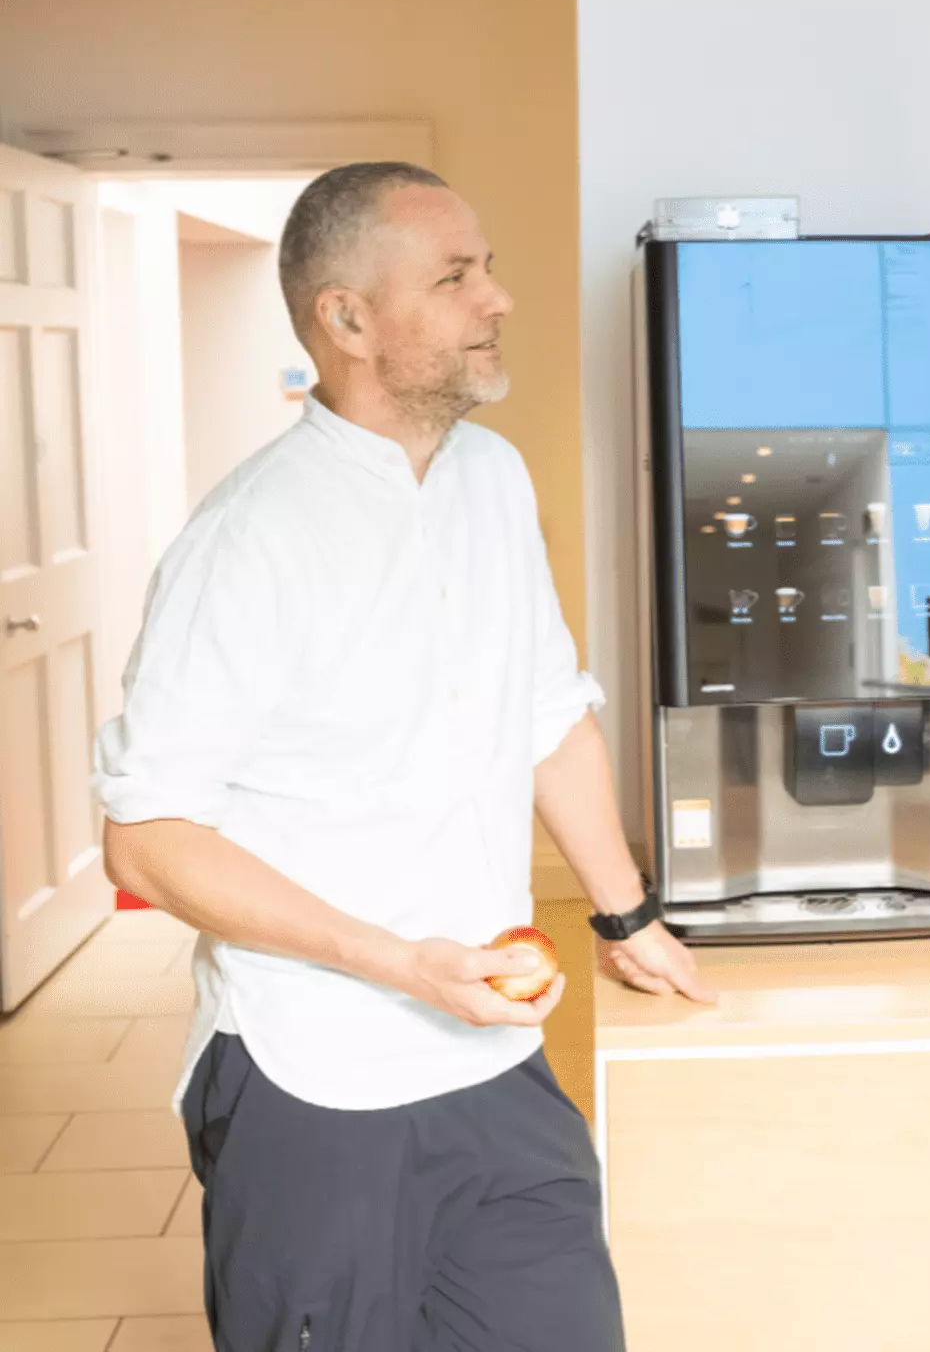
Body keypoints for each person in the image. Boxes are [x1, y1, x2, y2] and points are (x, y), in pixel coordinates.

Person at [94, 162, 715, 1352]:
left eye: (484, 266)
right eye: (454, 275)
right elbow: (149, 835)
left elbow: (546, 712)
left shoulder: (492, 476)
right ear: (348, 320)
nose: (498, 298)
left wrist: (627, 915)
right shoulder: (246, 540)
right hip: (309, 1075)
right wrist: (397, 962)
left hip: (491, 1053)